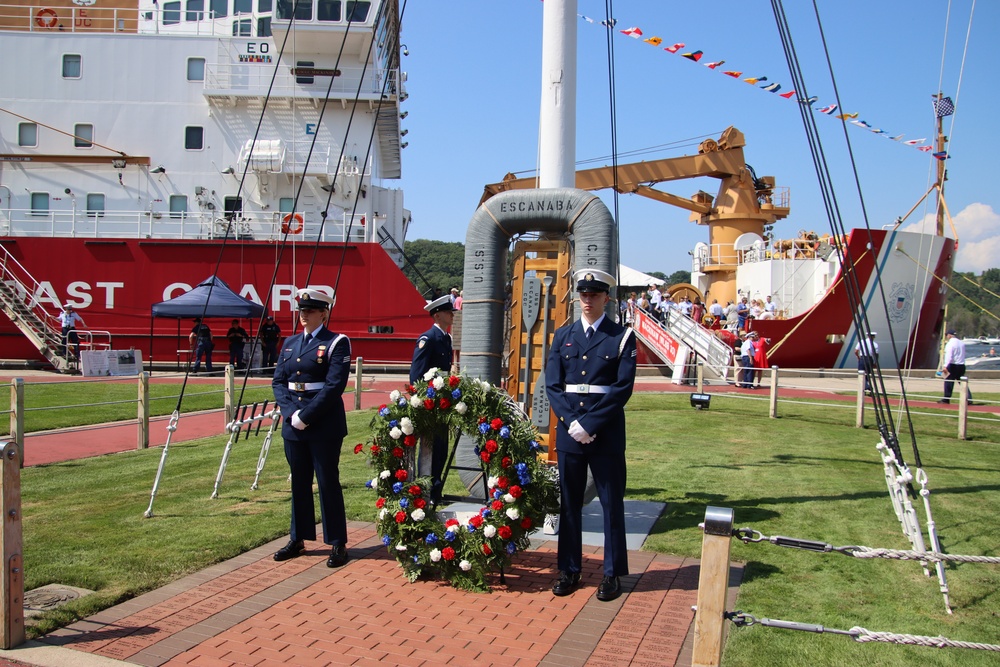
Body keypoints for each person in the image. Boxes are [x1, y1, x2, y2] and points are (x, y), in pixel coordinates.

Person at [545, 269, 637, 603]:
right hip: (570, 431)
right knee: (569, 503)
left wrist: (590, 424)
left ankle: (612, 573)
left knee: (611, 503)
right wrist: (572, 422)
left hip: (606, 430)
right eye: (583, 295)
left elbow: (621, 388)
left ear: (606, 298)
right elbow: (553, 386)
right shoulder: (562, 336)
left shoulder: (622, 337)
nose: (587, 301)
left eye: (594, 295)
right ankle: (569, 569)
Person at [271, 288, 352, 568]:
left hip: (323, 424)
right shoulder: (291, 343)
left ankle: (337, 542)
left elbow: (333, 386)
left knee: (327, 482)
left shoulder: (337, 342)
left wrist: (306, 415)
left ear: (323, 313)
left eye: (309, 310)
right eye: (301, 311)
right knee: (299, 482)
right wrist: (292, 413)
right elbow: (279, 382)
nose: (303, 315)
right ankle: (299, 537)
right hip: (294, 424)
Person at [409, 294, 456, 503]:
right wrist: (423, 398)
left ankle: (436, 491)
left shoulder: (446, 338)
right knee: (429, 449)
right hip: (430, 402)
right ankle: (426, 491)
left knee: (441, 449)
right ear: (437, 315)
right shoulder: (428, 339)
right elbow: (417, 374)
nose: (451, 315)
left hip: (442, 401)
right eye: (448, 312)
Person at [939, 329, 972, 405]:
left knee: (948, 382)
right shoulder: (961, 343)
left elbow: (949, 356)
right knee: (963, 383)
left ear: (949, 335)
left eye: (946, 335)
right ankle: (969, 399)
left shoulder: (950, 344)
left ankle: (946, 399)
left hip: (953, 365)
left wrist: (945, 366)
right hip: (961, 365)